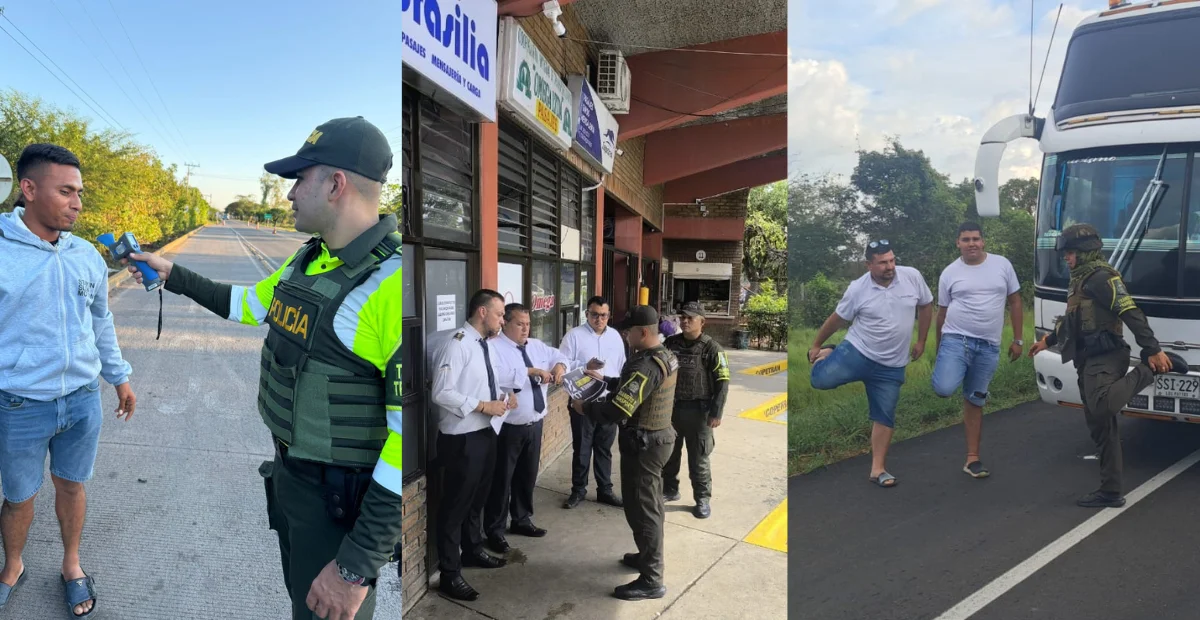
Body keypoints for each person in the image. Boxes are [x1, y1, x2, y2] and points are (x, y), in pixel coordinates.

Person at [126, 117, 403, 619]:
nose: (290, 193)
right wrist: (174, 274)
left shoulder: (393, 285)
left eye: (299, 178)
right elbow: (250, 305)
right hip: (293, 482)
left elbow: (407, 442)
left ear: (336, 184)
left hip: (343, 509)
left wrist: (357, 564)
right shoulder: (308, 260)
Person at [0, 143, 137, 618]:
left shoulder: (86, 256)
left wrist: (119, 377)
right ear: (28, 189)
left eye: (79, 192)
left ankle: (71, 564)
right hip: (19, 403)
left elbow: (100, 321)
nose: (77, 203)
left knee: (72, 487)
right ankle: (12, 566)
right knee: (19, 498)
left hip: (81, 400)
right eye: (65, 191)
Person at [1028, 223, 1187, 508]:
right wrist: (1047, 340)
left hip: (1107, 355)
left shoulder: (1102, 278)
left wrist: (1152, 351)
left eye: (1070, 252)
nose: (1066, 257)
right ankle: (1111, 491)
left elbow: (1130, 310)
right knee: (1100, 427)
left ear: (1085, 251)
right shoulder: (1080, 280)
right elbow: (1073, 320)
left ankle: (1149, 370)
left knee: (1103, 407)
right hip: (1086, 358)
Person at [807, 240, 933, 488]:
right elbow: (838, 319)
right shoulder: (858, 289)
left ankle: (878, 469)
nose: (890, 266)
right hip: (858, 352)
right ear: (868, 265)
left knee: (885, 415)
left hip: (892, 365)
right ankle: (829, 352)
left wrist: (921, 340)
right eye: (883, 262)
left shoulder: (912, 277)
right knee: (819, 380)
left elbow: (926, 305)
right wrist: (816, 345)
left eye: (892, 260)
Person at [429, 290, 519, 602]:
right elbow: (441, 393)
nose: (502, 320)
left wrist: (505, 395)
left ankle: (472, 550)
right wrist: (483, 406)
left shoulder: (485, 345)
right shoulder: (456, 344)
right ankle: (450, 574)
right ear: (482, 312)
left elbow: (486, 382)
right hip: (461, 440)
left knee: (476, 501)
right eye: (499, 314)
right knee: (455, 507)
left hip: (485, 434)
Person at [588, 305, 678, 601]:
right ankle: (646, 557)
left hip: (645, 446)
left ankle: (652, 579)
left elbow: (618, 409)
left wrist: (584, 406)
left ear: (643, 332)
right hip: (655, 440)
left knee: (644, 510)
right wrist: (605, 381)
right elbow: (635, 389)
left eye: (628, 331)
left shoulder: (646, 365)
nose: (625, 335)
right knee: (647, 506)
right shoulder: (663, 355)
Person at [931, 222, 1024, 479]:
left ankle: (972, 458)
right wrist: (939, 350)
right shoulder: (949, 272)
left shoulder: (1002, 265)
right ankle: (950, 371)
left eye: (975, 238)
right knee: (944, 387)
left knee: (975, 400)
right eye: (965, 239)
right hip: (956, 339)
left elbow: (1015, 301)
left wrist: (1018, 340)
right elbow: (942, 313)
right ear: (958, 243)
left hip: (988, 345)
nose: (971, 243)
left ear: (983, 241)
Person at [483, 303, 568, 555]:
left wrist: (559, 367)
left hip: (535, 423)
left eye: (528, 324)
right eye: (519, 324)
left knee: (527, 476)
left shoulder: (536, 345)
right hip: (508, 428)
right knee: (502, 480)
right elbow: (497, 376)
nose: (525, 329)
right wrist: (530, 371)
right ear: (505, 323)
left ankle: (521, 518)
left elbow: (560, 355)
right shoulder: (494, 347)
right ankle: (495, 530)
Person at [661, 302, 730, 519]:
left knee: (699, 459)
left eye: (690, 318)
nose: (685, 321)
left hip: (699, 413)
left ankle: (702, 499)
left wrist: (716, 412)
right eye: (682, 317)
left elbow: (722, 382)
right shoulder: (670, 343)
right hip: (672, 410)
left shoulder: (712, 349)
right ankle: (670, 489)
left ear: (702, 322)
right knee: (669, 454)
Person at [558, 296, 627, 509]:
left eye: (603, 315)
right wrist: (583, 365)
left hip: (607, 401)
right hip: (582, 401)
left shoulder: (615, 336)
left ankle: (605, 490)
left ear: (609, 315)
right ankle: (578, 490)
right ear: (587, 314)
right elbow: (561, 365)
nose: (599, 319)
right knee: (582, 448)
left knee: (604, 448)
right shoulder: (574, 336)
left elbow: (621, 367)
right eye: (595, 314)